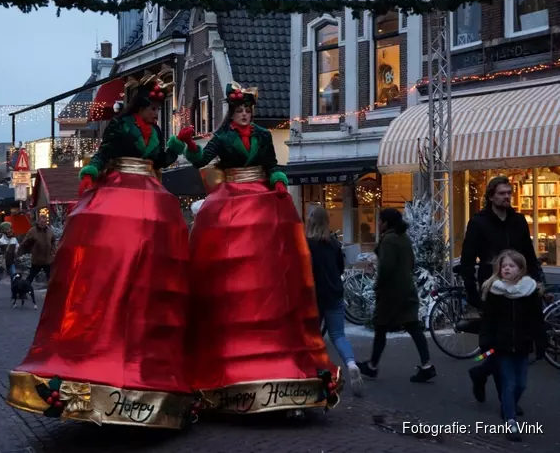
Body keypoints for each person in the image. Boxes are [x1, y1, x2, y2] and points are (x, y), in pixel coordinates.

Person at [6, 70, 195, 429]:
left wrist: (177, 145)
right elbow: (104, 154)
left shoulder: (155, 133)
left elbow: (160, 162)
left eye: (158, 107)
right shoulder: (121, 129)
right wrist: (91, 171)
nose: (157, 112)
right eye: (152, 107)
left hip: (152, 199)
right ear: (139, 107)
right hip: (123, 191)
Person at [178, 82, 340, 415]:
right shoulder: (223, 138)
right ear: (233, 114)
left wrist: (279, 180)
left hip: (263, 201)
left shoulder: (264, 137)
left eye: (248, 111)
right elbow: (202, 160)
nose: (245, 114)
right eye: (240, 111)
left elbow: (273, 165)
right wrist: (189, 144)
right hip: (233, 201)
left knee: (269, 263)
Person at [461, 176, 545, 407]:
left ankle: (481, 371)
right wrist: (473, 293)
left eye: (509, 193)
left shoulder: (518, 221)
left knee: (511, 342)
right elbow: (467, 260)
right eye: (502, 193)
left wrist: (536, 281)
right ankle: (505, 400)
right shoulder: (478, 223)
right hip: (493, 289)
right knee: (494, 344)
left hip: (520, 288)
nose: (507, 197)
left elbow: (528, 254)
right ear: (490, 196)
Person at [356, 208, 436, 383]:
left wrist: (378, 286)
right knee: (413, 327)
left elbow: (386, 268)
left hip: (391, 292)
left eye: (380, 221)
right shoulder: (403, 238)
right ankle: (427, 365)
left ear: (386, 223)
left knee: (381, 327)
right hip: (406, 289)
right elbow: (411, 262)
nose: (378, 224)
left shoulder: (389, 240)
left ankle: (372, 366)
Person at [479, 249, 545, 441]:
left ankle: (507, 407)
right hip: (502, 344)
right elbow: (488, 320)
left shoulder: (529, 290)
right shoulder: (496, 291)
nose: (507, 268)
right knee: (509, 383)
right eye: (504, 265)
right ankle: (511, 421)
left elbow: (536, 319)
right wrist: (486, 341)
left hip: (523, 344)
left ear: (521, 269)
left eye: (511, 265)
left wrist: (540, 341)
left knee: (521, 384)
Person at [306, 205, 363, 397]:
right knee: (338, 335)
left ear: (311, 220)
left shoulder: (307, 244)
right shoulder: (334, 243)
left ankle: (317, 374)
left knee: (313, 337)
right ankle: (351, 363)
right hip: (335, 293)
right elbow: (340, 269)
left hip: (315, 297)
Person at [17, 214, 55, 287]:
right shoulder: (32, 231)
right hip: (37, 259)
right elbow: (25, 242)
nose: (43, 224)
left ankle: (52, 293)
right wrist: (20, 250)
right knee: (31, 277)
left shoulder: (49, 231)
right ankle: (24, 291)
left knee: (51, 277)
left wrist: (53, 250)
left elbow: (53, 241)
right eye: (41, 222)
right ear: (38, 222)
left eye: (44, 222)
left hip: (47, 259)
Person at [0, 221, 19, 291]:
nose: (9, 230)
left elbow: (17, 247)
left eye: (10, 228)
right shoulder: (0, 240)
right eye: (7, 229)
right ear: (4, 230)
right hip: (3, 262)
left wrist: (16, 254)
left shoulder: (14, 239)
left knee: (13, 276)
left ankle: (14, 293)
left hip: (11, 261)